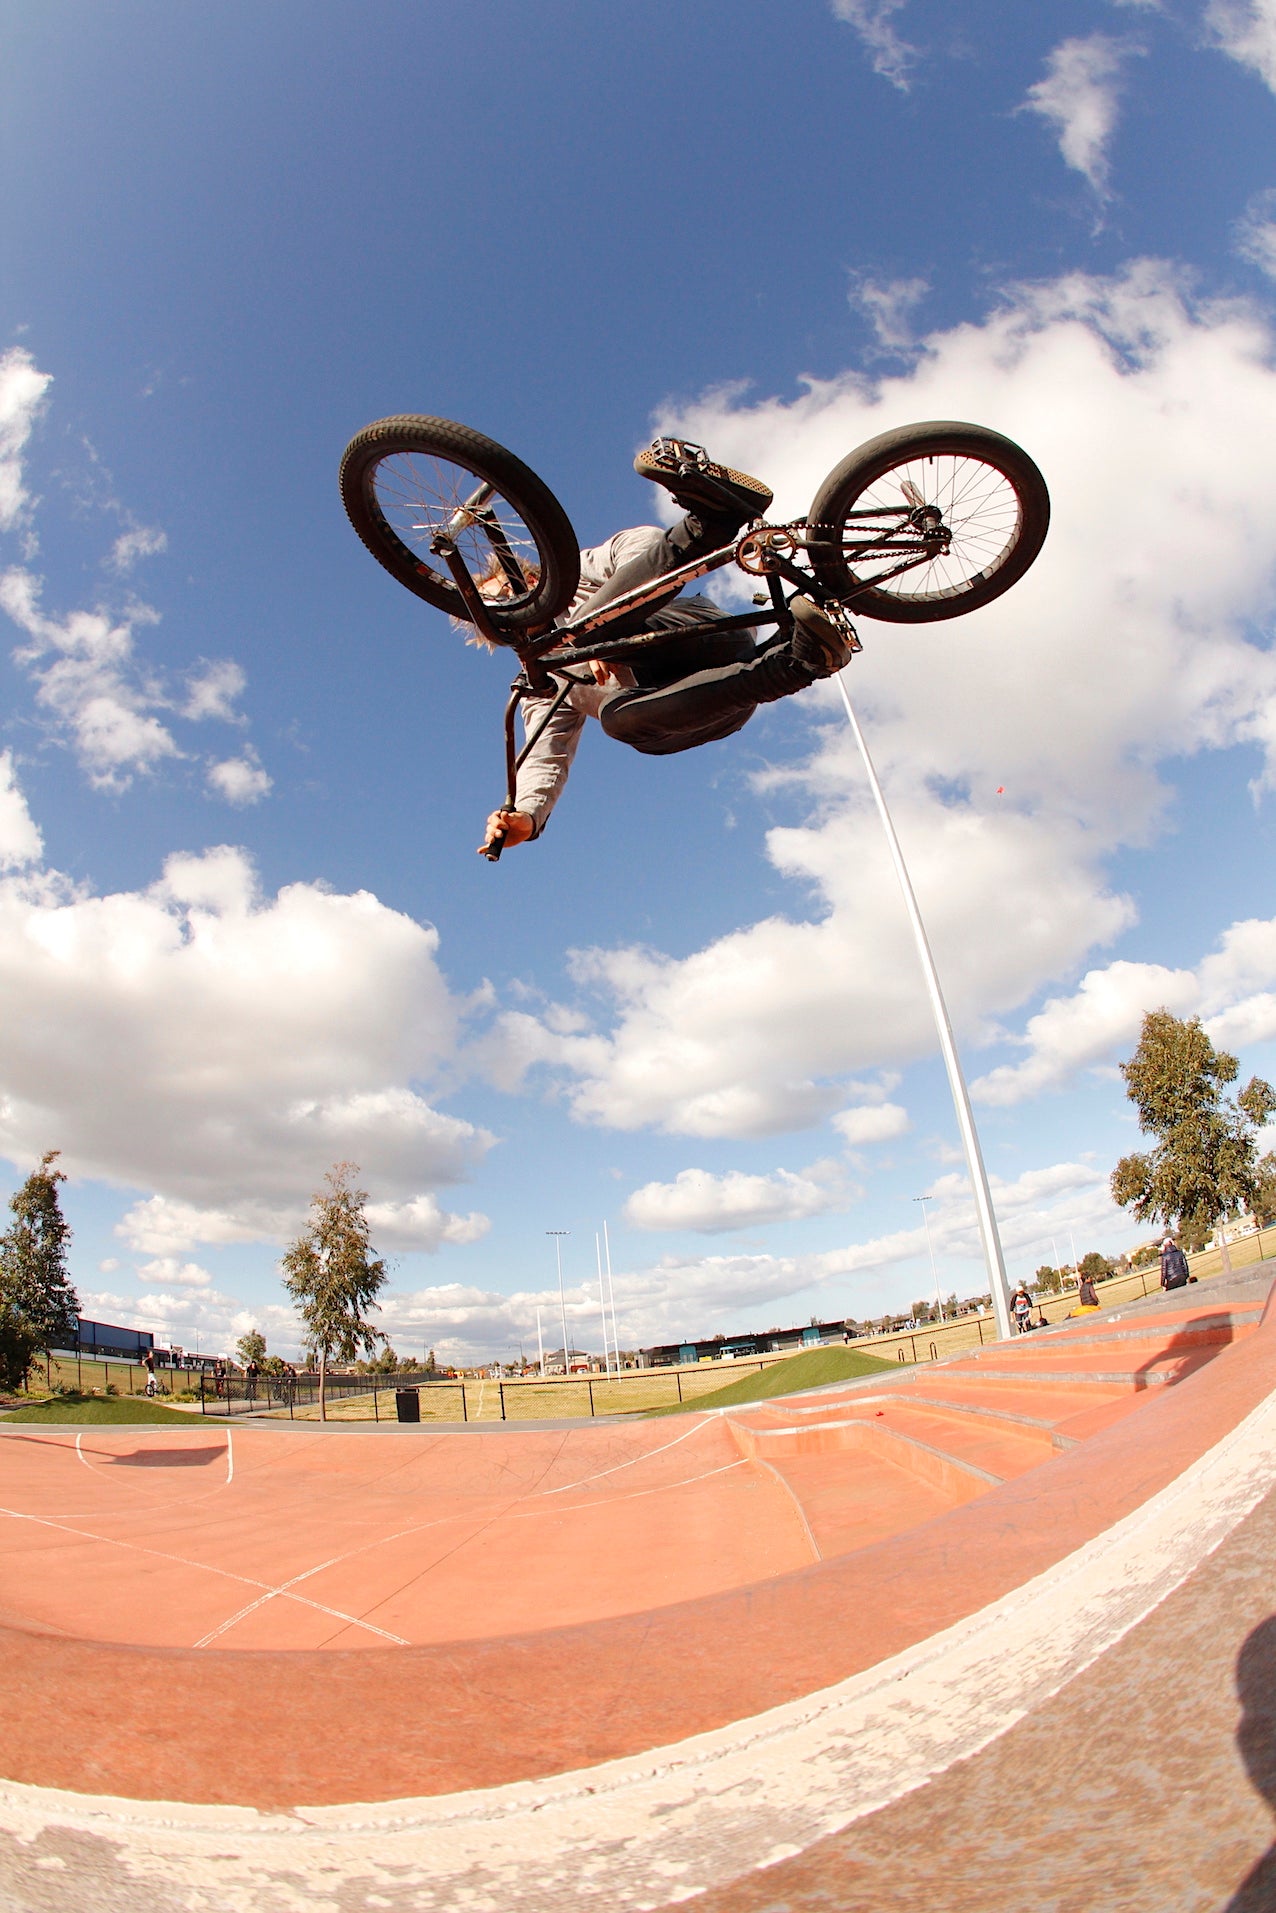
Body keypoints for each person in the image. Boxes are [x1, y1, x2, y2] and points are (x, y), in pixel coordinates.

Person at [478, 439, 855, 854]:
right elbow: (543, 760)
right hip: (716, 703)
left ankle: (709, 523)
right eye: (499, 613)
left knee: (589, 632)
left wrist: (599, 631)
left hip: (706, 638)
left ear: (532, 580)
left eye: (508, 594)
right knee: (617, 720)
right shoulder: (542, 682)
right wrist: (527, 819)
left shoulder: (575, 575)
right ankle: (797, 662)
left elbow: (639, 544)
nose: (512, 609)